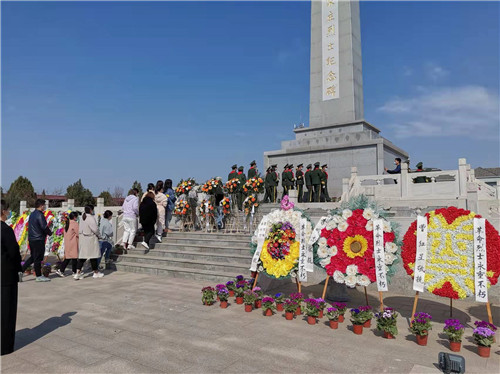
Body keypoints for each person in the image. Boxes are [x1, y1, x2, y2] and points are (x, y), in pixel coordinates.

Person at [1, 199, 22, 355]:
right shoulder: (5, 230)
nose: (8, 213)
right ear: (3, 211)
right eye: (7, 211)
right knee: (6, 312)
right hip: (5, 276)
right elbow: (14, 252)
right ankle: (4, 346)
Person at [21, 199, 52, 282]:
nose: (44, 207)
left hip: (31, 239)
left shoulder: (32, 214)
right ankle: (38, 276)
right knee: (38, 258)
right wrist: (50, 233)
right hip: (38, 239)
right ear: (41, 206)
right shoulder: (40, 215)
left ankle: (20, 271)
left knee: (33, 257)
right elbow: (44, 227)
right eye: (44, 205)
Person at [75, 205, 104, 280]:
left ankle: (77, 272)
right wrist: (100, 236)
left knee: (82, 256)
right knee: (93, 256)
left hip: (83, 238)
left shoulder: (82, 217)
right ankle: (96, 272)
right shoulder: (91, 218)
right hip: (90, 238)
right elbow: (95, 229)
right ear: (91, 210)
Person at [55, 212, 79, 277]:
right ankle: (72, 271)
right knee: (74, 257)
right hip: (73, 243)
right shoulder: (75, 224)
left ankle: (62, 270)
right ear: (74, 217)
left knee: (68, 257)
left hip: (68, 243)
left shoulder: (67, 223)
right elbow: (78, 233)